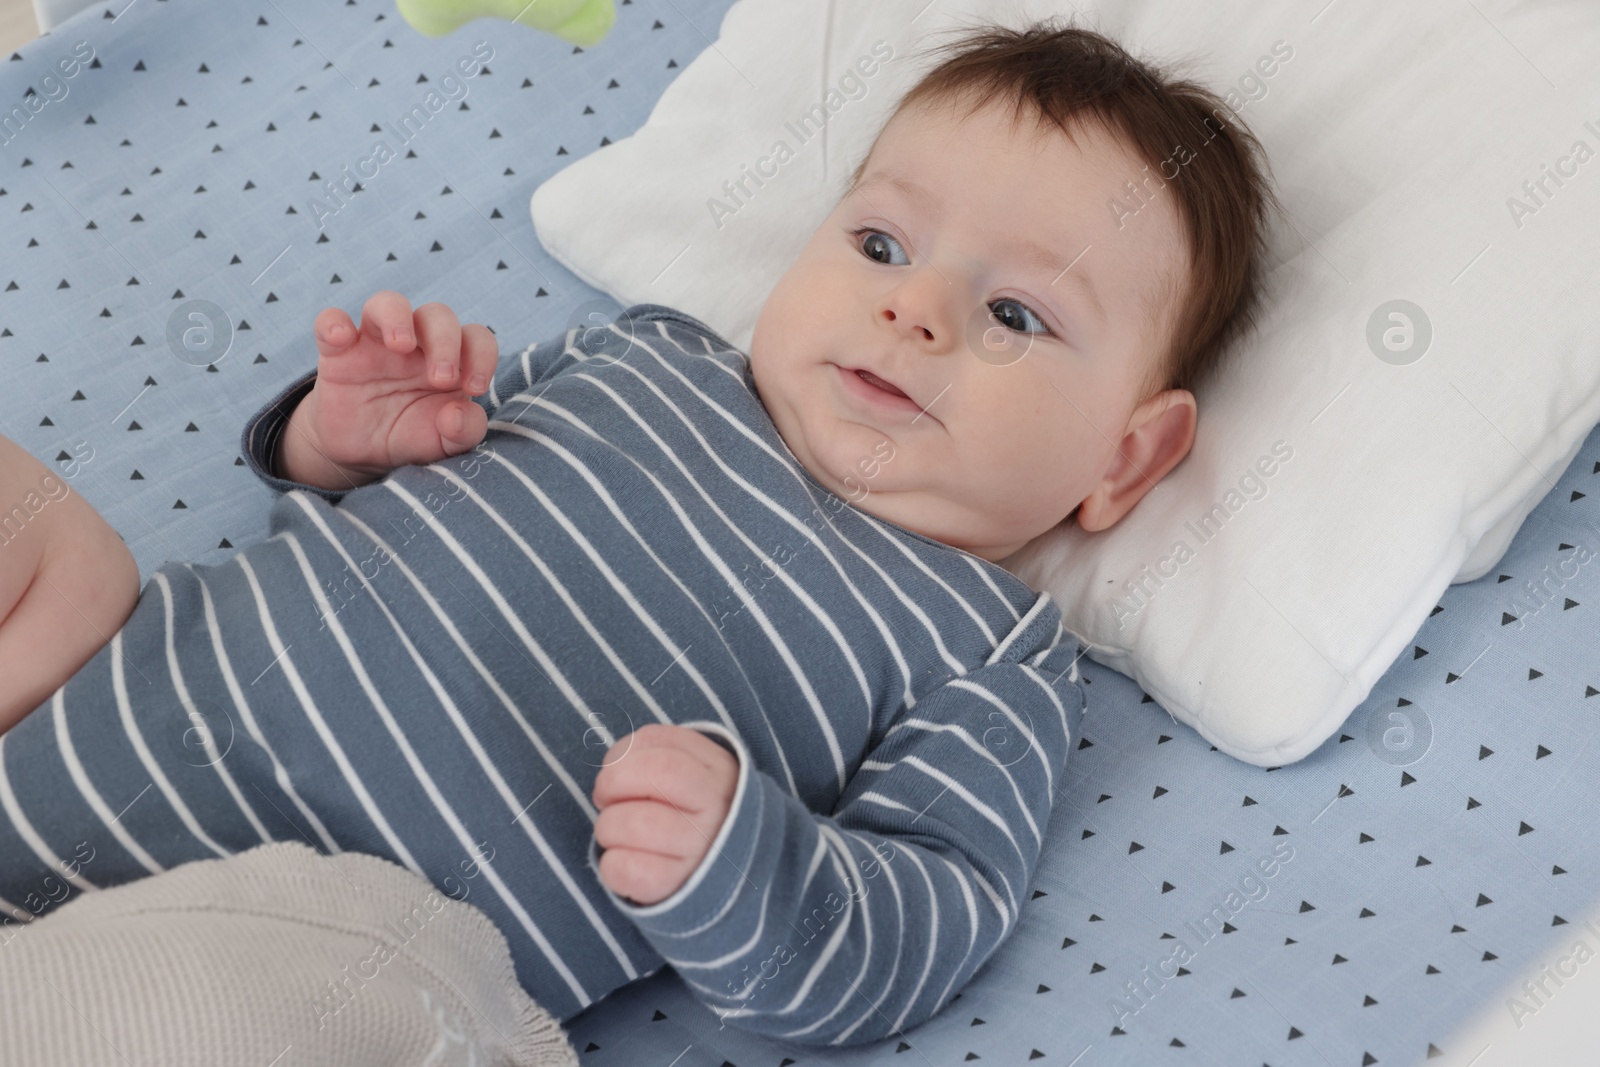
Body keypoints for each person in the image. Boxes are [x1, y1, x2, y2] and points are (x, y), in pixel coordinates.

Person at [0, 18, 1277, 1047]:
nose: (914, 311)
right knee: (31, 513)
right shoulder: (645, 355)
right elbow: (384, 471)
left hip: (292, 952)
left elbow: (919, 923)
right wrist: (345, 439)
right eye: (882, 242)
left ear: (1126, 457)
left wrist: (738, 858)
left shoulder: (986, 645)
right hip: (86, 696)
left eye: (1017, 313)